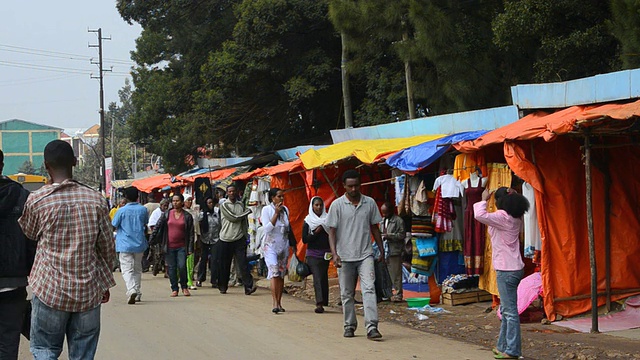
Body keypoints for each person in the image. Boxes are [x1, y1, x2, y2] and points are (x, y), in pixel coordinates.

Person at [18, 140, 116, 359]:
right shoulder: (97, 200)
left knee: (45, 349)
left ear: (46, 166)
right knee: (83, 353)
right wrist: (104, 282)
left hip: (49, 290)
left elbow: (30, 233)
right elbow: (108, 248)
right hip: (88, 291)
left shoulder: (37, 200)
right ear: (74, 162)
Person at [327, 169, 385, 340]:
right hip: (344, 257)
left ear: (361, 185)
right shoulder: (337, 205)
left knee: (369, 289)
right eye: (350, 186)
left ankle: (372, 326)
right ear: (344, 186)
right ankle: (349, 325)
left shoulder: (370, 203)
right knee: (347, 293)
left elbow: (375, 227)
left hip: (365, 254)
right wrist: (334, 254)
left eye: (356, 186)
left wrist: (381, 250)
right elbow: (331, 232)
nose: (353, 189)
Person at [474, 187, 530, 360]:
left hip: (506, 269)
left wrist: (483, 198)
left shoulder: (502, 217)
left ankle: (512, 350)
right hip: (514, 267)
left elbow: (479, 215)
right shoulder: (516, 217)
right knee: (506, 309)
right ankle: (503, 346)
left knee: (510, 312)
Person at [0, 149, 35, 359]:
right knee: (8, 342)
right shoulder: (22, 196)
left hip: (16, 278)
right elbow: (32, 239)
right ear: (2, 165)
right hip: (14, 282)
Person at [150, 194, 195, 297]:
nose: (175, 203)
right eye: (173, 201)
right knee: (171, 268)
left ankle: (184, 287)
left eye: (177, 201)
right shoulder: (167, 214)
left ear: (182, 202)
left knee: (182, 266)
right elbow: (158, 226)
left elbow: (191, 234)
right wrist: (152, 239)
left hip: (182, 246)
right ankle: (174, 288)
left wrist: (190, 248)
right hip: (169, 246)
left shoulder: (187, 216)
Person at [218, 184, 257, 295]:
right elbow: (233, 218)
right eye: (229, 191)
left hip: (239, 238)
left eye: (233, 191)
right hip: (226, 238)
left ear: (237, 192)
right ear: (227, 193)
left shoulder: (240, 204)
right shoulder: (224, 205)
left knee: (243, 263)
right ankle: (223, 286)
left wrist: (246, 235)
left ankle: (248, 287)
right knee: (225, 264)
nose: (232, 193)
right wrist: (247, 211)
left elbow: (244, 222)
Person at [112, 187, 149, 304]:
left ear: (126, 197)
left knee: (127, 269)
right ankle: (137, 292)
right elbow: (145, 223)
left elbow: (114, 224)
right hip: (139, 243)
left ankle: (131, 289)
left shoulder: (121, 211)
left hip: (124, 244)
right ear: (138, 196)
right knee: (137, 268)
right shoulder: (143, 209)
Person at [260, 188, 291, 314]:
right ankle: (274, 303)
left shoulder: (286, 210)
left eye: (282, 196)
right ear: (273, 198)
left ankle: (279, 301)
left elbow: (288, 227)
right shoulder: (266, 210)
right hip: (270, 245)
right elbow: (267, 228)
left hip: (283, 245)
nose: (281, 199)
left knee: (281, 274)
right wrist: (276, 214)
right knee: (274, 272)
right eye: (279, 196)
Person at [302, 196, 331, 314]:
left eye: (320, 205)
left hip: (326, 254)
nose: (318, 207)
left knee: (323, 276)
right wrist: (315, 233)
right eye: (316, 205)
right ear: (312, 206)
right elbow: (304, 239)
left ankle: (324, 300)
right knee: (317, 277)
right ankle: (319, 303)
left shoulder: (328, 219)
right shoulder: (308, 221)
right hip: (313, 254)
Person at [380, 202, 405, 302]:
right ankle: (388, 293)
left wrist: (389, 236)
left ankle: (398, 294)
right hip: (384, 250)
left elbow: (402, 235)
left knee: (396, 274)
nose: (384, 215)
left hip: (394, 251)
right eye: (382, 213)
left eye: (385, 213)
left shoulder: (398, 221)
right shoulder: (382, 221)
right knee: (385, 274)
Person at [197, 196, 221, 288]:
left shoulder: (217, 213)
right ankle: (200, 279)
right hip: (204, 240)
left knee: (215, 260)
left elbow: (220, 224)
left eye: (212, 203)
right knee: (203, 260)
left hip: (215, 239)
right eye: (208, 203)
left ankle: (214, 280)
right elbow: (197, 224)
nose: (210, 204)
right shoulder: (202, 214)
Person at [148, 198, 170, 276]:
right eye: (164, 206)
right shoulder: (156, 213)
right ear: (161, 205)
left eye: (167, 206)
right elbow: (152, 225)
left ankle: (167, 271)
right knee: (158, 254)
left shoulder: (169, 213)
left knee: (167, 254)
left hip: (167, 236)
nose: (166, 208)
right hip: (158, 237)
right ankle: (156, 266)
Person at [184, 195, 200, 290]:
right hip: (182, 240)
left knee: (191, 260)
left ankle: (190, 280)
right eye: (188, 200)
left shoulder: (194, 213)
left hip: (192, 239)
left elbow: (197, 226)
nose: (190, 202)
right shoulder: (181, 213)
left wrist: (198, 238)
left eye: (191, 200)